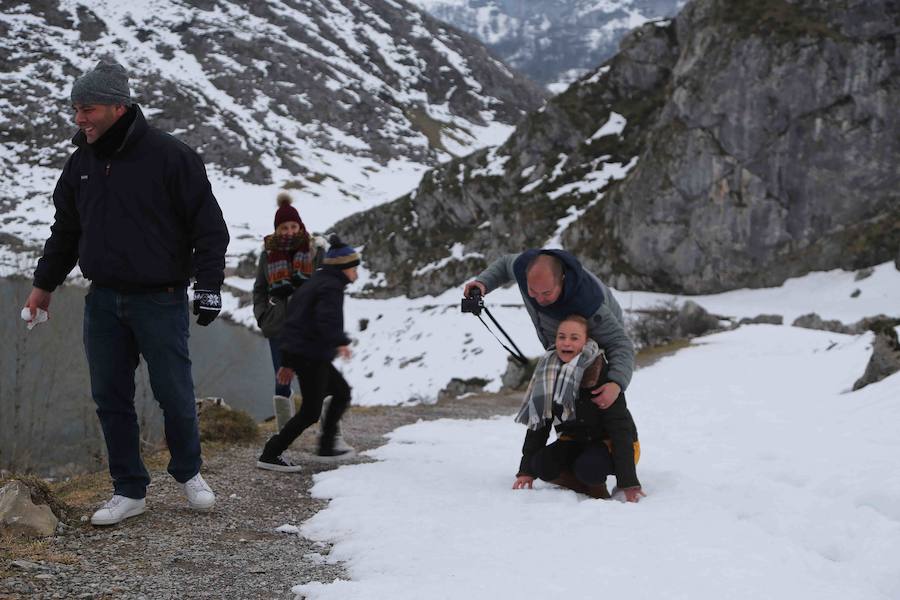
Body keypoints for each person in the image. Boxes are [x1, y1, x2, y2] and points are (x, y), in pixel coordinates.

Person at [22, 60, 230, 525]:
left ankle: (189, 473)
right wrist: (43, 287)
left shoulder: (171, 156)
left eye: (88, 109)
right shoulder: (81, 163)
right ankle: (129, 490)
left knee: (173, 392)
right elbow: (66, 232)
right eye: (75, 109)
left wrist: (209, 287)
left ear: (119, 106)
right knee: (110, 396)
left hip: (160, 299)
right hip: (103, 300)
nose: (79, 119)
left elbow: (210, 230)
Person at [464, 249, 634, 414]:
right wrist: (483, 283)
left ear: (562, 279)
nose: (538, 299)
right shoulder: (524, 268)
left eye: (546, 293)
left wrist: (616, 383)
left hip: (595, 347)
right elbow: (505, 264)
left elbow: (619, 343)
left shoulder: (590, 304)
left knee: (595, 404)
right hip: (560, 346)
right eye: (532, 291)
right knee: (554, 408)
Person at [252, 194, 352, 451]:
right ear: (276, 229)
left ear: (300, 226)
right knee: (282, 380)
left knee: (326, 382)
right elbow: (259, 289)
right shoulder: (268, 254)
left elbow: (327, 285)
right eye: (283, 227)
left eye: (293, 226)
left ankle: (331, 434)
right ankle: (286, 439)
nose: (289, 231)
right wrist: (264, 316)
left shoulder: (315, 251)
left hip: (310, 331)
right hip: (279, 328)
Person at [513, 315, 644, 502]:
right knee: (541, 464)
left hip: (611, 443)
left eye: (574, 338)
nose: (567, 342)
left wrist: (628, 482)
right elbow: (540, 424)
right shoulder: (548, 372)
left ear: (586, 341)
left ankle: (595, 487)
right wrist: (525, 471)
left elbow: (620, 430)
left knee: (588, 467)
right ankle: (582, 486)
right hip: (576, 440)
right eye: (561, 336)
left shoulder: (602, 374)